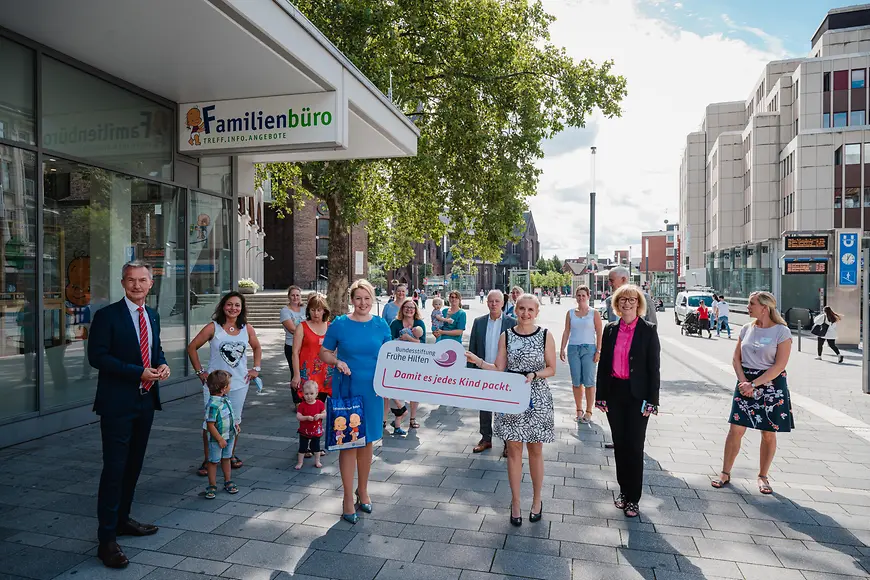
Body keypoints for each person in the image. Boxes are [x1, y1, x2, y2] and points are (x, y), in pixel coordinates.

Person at [89, 261, 170, 569]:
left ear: (151, 284)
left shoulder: (152, 315)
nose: (137, 285)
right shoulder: (107, 315)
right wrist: (139, 372)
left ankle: (122, 520)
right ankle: (106, 539)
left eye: (142, 280)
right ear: (123, 283)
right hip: (116, 404)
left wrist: (161, 365)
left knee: (134, 465)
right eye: (131, 280)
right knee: (114, 469)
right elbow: (97, 357)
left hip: (145, 402)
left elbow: (155, 350)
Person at [466, 294, 555, 527]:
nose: (525, 313)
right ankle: (515, 502)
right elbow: (499, 367)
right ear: (515, 310)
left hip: (536, 397)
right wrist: (478, 361)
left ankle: (537, 500)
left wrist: (534, 374)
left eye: (530, 309)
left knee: (535, 450)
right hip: (511, 397)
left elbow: (552, 368)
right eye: (521, 309)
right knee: (514, 451)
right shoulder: (507, 335)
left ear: (537, 312)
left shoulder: (545, 335)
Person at [320, 279, 392, 524]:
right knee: (349, 442)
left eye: (367, 298)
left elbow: (390, 357)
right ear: (352, 300)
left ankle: (363, 490)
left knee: (368, 441)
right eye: (358, 298)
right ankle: (348, 497)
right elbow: (324, 352)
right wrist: (337, 362)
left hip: (372, 391)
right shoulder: (339, 324)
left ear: (373, 300)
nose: (363, 303)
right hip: (348, 389)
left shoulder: (381, 325)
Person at [711, 291, 793, 495]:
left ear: (764, 308)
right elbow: (736, 359)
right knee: (735, 430)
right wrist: (743, 382)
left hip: (771, 385)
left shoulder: (782, 332)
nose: (748, 307)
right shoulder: (746, 329)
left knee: (768, 432)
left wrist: (754, 384)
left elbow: (779, 366)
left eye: (751, 304)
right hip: (745, 383)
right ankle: (725, 472)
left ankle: (763, 476)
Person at [595, 284, 660, 518]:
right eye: (622, 299)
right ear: (616, 303)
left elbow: (654, 368)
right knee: (620, 446)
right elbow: (603, 365)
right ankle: (623, 492)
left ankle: (634, 498)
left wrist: (653, 400)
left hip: (638, 396)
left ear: (638, 303)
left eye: (631, 299)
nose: (626, 303)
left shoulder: (648, 330)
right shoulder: (610, 329)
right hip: (615, 393)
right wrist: (600, 395)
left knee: (635, 446)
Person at [188, 292, 262, 476]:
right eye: (229, 304)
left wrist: (256, 369)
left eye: (237, 305)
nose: (233, 308)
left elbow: (257, 347)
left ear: (242, 308)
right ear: (223, 306)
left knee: (234, 422)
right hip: (213, 387)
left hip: (238, 384)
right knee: (210, 423)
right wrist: (200, 372)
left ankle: (229, 456)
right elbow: (192, 347)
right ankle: (209, 459)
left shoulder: (247, 329)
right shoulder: (213, 327)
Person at [468, 290, 517, 457]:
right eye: (491, 301)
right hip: (483, 371)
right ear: (487, 303)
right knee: (484, 406)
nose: (494, 304)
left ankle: (506, 442)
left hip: (505, 373)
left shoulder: (512, 323)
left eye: (497, 301)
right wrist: (472, 372)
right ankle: (486, 438)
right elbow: (473, 347)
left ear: (503, 303)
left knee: (503, 409)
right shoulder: (479, 322)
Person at [560, 285, 603, 423]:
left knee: (589, 381)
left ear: (588, 297)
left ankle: (589, 410)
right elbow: (566, 331)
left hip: (589, 349)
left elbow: (599, 332)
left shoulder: (594, 313)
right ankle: (579, 409)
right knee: (576, 381)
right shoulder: (570, 313)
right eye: (578, 295)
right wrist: (562, 348)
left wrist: (598, 350)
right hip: (573, 349)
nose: (581, 298)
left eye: (583, 295)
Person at [388, 297, 426, 433]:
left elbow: (423, 343)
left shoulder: (419, 323)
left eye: (412, 307)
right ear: (402, 309)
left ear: (415, 310)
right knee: (395, 390)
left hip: (415, 362)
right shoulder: (395, 323)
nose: (409, 310)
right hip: (398, 361)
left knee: (415, 391)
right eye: (407, 307)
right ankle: (393, 418)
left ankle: (412, 418)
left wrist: (409, 339)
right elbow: (390, 341)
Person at [203, 370, 240, 499]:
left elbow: (230, 414)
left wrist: (235, 424)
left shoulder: (225, 399)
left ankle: (227, 480)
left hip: (229, 435)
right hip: (217, 439)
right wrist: (219, 439)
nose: (230, 386)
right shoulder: (213, 405)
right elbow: (210, 425)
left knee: (227, 458)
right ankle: (212, 485)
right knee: (213, 461)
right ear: (223, 388)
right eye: (229, 384)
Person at [291, 293, 333, 403]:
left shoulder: (330, 327)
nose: (316, 313)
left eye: (319, 310)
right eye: (313, 310)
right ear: (308, 310)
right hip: (308, 374)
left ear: (324, 311)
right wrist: (296, 375)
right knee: (308, 407)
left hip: (325, 374)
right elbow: (295, 352)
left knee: (320, 407)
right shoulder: (302, 327)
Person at [281, 286, 306, 408]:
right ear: (289, 297)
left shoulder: (305, 309)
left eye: (298, 295)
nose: (295, 297)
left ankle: (308, 396)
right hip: (292, 346)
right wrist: (307, 333)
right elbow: (292, 329)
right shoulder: (285, 311)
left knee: (306, 371)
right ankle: (297, 401)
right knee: (295, 372)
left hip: (306, 346)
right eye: (293, 295)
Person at [296, 380, 327, 470]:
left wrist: (320, 415)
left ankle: (317, 461)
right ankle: (300, 462)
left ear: (316, 393)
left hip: (316, 431)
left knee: (316, 447)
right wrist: (305, 418)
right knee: (302, 447)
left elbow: (325, 414)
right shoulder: (302, 405)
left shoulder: (320, 404)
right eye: (306, 394)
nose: (309, 396)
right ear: (303, 394)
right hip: (304, 431)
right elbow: (298, 416)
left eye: (311, 393)